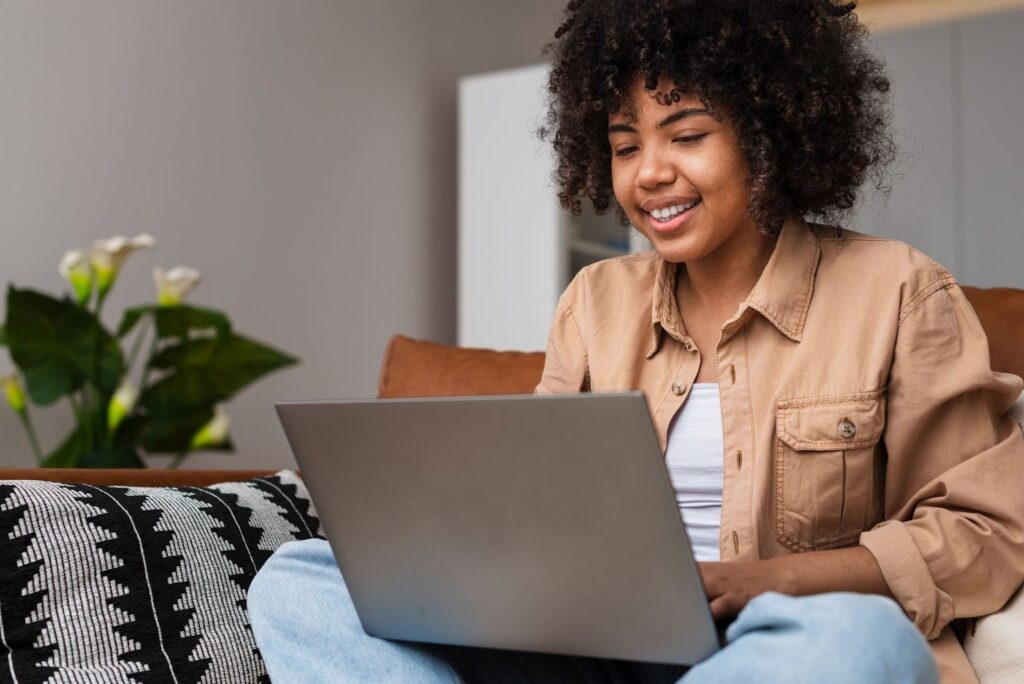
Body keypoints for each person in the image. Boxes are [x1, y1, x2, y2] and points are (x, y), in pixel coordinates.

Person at [247, 1, 1024, 682]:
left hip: (785, 639)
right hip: (599, 648)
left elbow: (982, 536)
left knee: (857, 639)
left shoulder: (897, 290)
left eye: (686, 135)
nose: (649, 173)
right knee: (301, 579)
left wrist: (766, 582)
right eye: (624, 146)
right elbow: (532, 504)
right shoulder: (594, 302)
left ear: (770, 137)